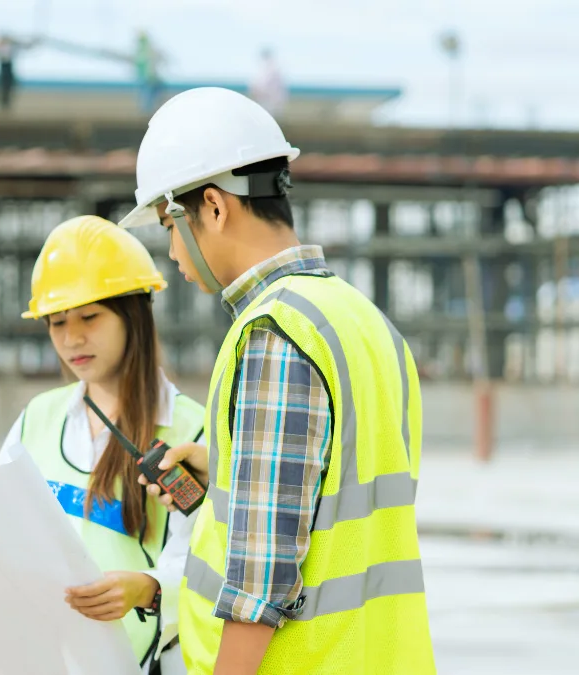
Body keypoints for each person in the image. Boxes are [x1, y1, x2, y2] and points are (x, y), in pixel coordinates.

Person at [118, 87, 436, 674]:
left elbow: (263, 574)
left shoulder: (276, 332)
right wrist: (227, 470)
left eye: (169, 224)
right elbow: (343, 491)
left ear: (213, 206)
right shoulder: (362, 319)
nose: (171, 253)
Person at [0, 216, 205, 675]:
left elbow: (207, 565)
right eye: (57, 322)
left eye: (89, 316)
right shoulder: (37, 419)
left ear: (134, 313)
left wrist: (147, 588)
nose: (72, 338)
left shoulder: (194, 433)